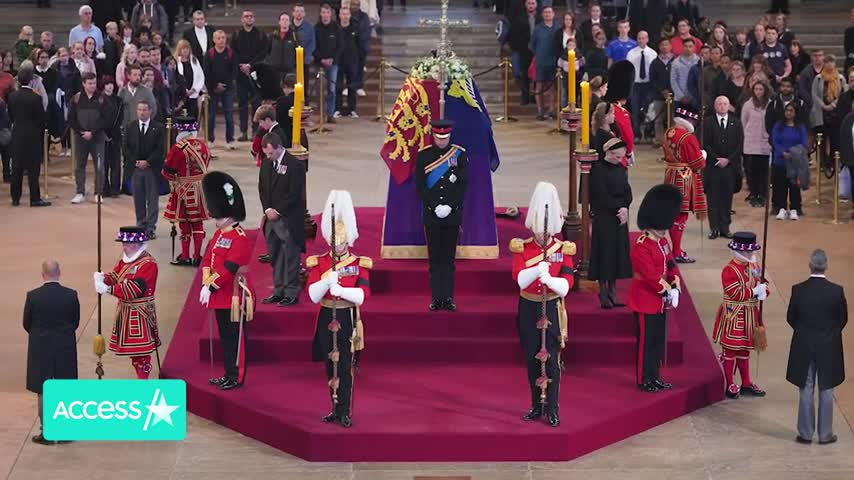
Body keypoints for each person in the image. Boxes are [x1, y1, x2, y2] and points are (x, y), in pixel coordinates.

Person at [510, 182, 574, 427]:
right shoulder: (522, 248)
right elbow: (519, 279)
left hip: (553, 308)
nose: (542, 234)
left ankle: (553, 408)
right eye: (538, 230)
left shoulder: (562, 249)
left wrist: (551, 280)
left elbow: (567, 284)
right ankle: (536, 405)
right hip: (529, 308)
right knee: (531, 358)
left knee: (553, 362)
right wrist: (537, 270)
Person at [306, 190, 371, 428]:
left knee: (344, 365)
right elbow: (313, 295)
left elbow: (362, 296)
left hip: (346, 314)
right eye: (335, 241)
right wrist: (325, 281)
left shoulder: (358, 263)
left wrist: (340, 290)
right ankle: (334, 407)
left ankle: (345, 409)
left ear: (348, 240)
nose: (338, 245)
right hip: (326, 314)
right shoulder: (320, 261)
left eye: (341, 241)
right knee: (328, 363)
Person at [199, 171, 256, 391]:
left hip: (233, 296)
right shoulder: (220, 234)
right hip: (219, 294)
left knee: (236, 339)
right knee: (225, 338)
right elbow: (208, 258)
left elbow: (229, 269)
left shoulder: (239, 238)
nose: (216, 219)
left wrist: (210, 285)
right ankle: (227, 373)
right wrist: (206, 283)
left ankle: (236, 376)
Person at [787, 249, 847, 445]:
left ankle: (805, 434)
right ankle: (825, 434)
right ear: (826, 265)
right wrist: (829, 334)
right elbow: (842, 319)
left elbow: (791, 317)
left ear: (810, 265)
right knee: (826, 389)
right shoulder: (836, 291)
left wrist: (804, 332)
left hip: (804, 344)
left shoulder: (798, 289)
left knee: (806, 387)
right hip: (828, 346)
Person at [627, 184, 682, 393]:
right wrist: (668, 290)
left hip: (660, 302)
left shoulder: (662, 241)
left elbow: (671, 265)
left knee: (657, 342)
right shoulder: (642, 245)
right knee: (645, 344)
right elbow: (650, 276)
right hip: (645, 301)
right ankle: (644, 379)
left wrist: (675, 284)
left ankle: (655, 376)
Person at [94, 226, 161, 379]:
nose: (124, 247)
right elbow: (116, 276)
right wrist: (103, 277)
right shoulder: (125, 261)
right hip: (126, 312)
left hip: (140, 313)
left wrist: (108, 289)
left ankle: (143, 381)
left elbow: (134, 289)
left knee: (141, 353)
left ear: (138, 244)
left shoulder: (148, 264)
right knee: (135, 354)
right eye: (123, 243)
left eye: (128, 244)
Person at [415, 120, 468, 311]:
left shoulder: (459, 154)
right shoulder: (424, 156)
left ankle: (449, 298)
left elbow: (462, 185)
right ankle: (436, 298)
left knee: (448, 260)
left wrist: (450, 206)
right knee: (435, 260)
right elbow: (420, 185)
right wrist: (434, 205)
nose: (442, 141)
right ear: (434, 135)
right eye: (439, 137)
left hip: (452, 215)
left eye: (445, 138)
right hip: (432, 214)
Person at [24, 260, 79, 445]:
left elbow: (27, 323)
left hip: (41, 347)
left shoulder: (33, 296)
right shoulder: (71, 295)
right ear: (59, 273)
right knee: (64, 387)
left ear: (42, 274)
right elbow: (75, 321)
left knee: (43, 389)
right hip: (64, 346)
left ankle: (46, 432)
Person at [712, 231, 770, 399]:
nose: (751, 254)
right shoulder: (729, 270)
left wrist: (764, 290)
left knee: (744, 350)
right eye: (748, 252)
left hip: (750, 314)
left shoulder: (754, 266)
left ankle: (746, 382)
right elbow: (734, 293)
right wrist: (753, 291)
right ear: (740, 252)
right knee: (730, 351)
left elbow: (761, 282)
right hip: (734, 314)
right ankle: (729, 382)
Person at [259, 132, 306, 306]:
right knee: (275, 255)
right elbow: (262, 189)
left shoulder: (295, 166)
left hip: (288, 219)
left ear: (279, 148)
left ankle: (291, 292)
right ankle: (278, 291)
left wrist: (277, 210)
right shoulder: (266, 164)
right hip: (271, 219)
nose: (268, 157)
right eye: (266, 154)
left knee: (290, 256)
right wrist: (267, 209)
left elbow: (295, 194)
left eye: (271, 153)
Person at [589, 138, 632, 308]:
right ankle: (603, 291)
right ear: (609, 153)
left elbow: (627, 191)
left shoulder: (621, 169)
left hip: (619, 217)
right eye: (617, 156)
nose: (620, 159)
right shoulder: (598, 169)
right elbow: (600, 195)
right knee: (604, 253)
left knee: (617, 254)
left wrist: (625, 207)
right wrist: (618, 207)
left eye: (622, 156)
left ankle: (613, 291)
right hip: (605, 217)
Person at [161, 115, 210, 266]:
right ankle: (197, 256)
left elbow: (167, 172)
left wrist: (175, 179)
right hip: (200, 188)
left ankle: (185, 256)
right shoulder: (203, 145)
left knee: (184, 224)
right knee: (198, 224)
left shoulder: (178, 148)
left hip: (183, 189)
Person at [663, 105, 706, 263]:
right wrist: (703, 156)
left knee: (672, 213)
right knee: (680, 216)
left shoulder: (669, 132)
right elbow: (698, 164)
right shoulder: (688, 137)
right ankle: (676, 251)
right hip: (684, 178)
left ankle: (676, 249)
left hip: (670, 175)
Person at [68, 72, 114, 205]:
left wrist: (92, 132)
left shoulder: (102, 99)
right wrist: (82, 132)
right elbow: (71, 118)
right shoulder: (76, 99)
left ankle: (98, 193)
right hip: (81, 138)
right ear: (83, 84)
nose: (93, 86)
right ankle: (80, 192)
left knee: (99, 166)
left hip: (97, 137)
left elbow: (106, 119)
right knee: (79, 165)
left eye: (94, 83)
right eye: (90, 83)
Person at [123, 100, 165, 238]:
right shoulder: (130, 127)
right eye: (139, 110)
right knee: (138, 198)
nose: (142, 112)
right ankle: (141, 225)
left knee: (152, 199)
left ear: (150, 111)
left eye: (144, 110)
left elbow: (160, 149)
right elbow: (126, 148)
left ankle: (151, 227)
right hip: (135, 169)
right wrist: (136, 162)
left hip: (151, 169)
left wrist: (147, 162)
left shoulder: (158, 127)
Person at [9, 68, 50, 207]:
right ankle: (34, 198)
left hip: (17, 134)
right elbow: (41, 119)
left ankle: (15, 198)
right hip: (33, 135)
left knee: (17, 167)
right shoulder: (36, 97)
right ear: (32, 80)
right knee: (33, 168)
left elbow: (11, 116)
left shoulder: (13, 96)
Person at [703, 96, 743, 240]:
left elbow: (739, 145)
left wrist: (729, 160)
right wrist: (716, 159)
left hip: (730, 167)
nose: (722, 106)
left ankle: (725, 227)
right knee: (713, 198)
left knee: (727, 199)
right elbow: (705, 144)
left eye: (725, 104)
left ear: (729, 106)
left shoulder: (736, 123)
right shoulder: (707, 123)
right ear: (715, 106)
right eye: (719, 104)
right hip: (713, 167)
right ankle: (714, 228)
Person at [231, 10, 268, 142]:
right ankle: (243, 131)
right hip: (241, 75)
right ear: (242, 19)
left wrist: (250, 65)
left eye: (251, 16)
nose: (249, 18)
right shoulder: (236, 35)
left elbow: (263, 53)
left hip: (256, 74)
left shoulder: (260, 35)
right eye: (246, 16)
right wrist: (242, 66)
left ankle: (255, 131)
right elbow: (233, 52)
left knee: (257, 104)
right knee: (242, 104)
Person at [770, 102, 807, 220]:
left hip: (794, 161)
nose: (788, 113)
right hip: (780, 161)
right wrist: (783, 152)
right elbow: (775, 141)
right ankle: (781, 208)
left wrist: (792, 153)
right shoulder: (778, 125)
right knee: (780, 185)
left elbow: (803, 142)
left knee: (794, 185)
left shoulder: (800, 126)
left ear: (795, 113)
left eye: (791, 110)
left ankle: (794, 208)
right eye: (787, 110)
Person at [740, 80, 772, 208]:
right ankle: (753, 194)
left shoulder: (770, 105)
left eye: (761, 89)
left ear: (765, 91)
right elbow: (743, 122)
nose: (758, 92)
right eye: (756, 89)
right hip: (750, 141)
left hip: (764, 141)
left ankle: (762, 195)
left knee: (763, 170)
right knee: (751, 170)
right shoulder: (747, 105)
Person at [204, 30, 237, 149]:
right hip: (213, 89)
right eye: (218, 38)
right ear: (214, 40)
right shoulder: (209, 54)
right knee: (211, 115)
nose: (221, 40)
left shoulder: (230, 53)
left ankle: (230, 140)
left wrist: (226, 85)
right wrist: (215, 85)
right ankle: (210, 139)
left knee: (229, 114)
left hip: (227, 89)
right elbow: (207, 72)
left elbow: (234, 72)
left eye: (223, 38)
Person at [810, 55, 847, 157]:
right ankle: (822, 162)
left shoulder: (840, 78)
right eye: (827, 62)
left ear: (835, 64)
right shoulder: (818, 78)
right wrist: (823, 105)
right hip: (821, 112)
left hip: (835, 112)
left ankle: (833, 161)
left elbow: (844, 93)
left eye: (831, 62)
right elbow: (814, 94)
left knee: (835, 139)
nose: (829, 64)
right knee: (822, 139)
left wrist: (834, 104)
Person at [314, 4, 343, 123]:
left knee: (331, 89)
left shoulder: (336, 28)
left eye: (327, 12)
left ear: (331, 14)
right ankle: (321, 113)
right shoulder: (316, 28)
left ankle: (330, 114)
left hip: (333, 64)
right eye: (323, 12)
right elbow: (314, 46)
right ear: (320, 14)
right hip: (319, 64)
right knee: (319, 90)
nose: (325, 15)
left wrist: (332, 59)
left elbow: (340, 46)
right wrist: (321, 59)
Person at [530, 6, 559, 120]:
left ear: (553, 14)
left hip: (553, 62)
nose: (547, 14)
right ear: (542, 15)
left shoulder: (558, 27)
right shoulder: (537, 29)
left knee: (552, 88)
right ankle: (540, 111)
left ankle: (552, 109)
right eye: (545, 12)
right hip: (541, 62)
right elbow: (532, 45)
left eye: (549, 12)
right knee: (539, 87)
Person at [626, 31, 656, 142]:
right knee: (635, 110)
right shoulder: (631, 53)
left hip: (648, 84)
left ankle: (648, 133)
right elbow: (628, 70)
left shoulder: (652, 53)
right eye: (639, 38)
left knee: (649, 110)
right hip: (636, 84)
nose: (641, 40)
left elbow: (654, 70)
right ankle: (636, 134)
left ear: (647, 39)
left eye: (643, 38)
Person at [508, 0, 538, 106]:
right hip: (523, 50)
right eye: (529, 3)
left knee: (535, 75)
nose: (531, 5)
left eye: (533, 3)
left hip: (537, 51)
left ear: (536, 5)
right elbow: (514, 35)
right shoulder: (519, 18)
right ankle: (524, 96)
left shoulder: (539, 19)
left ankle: (535, 95)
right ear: (525, 5)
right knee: (523, 73)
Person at [605, 61, 636, 164]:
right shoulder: (620, 111)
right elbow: (628, 137)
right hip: (617, 155)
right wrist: (629, 153)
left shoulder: (604, 106)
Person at [100, 76, 124, 197]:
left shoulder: (118, 100)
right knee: (104, 164)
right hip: (103, 134)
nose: (110, 86)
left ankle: (115, 189)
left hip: (115, 134)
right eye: (107, 84)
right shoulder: (99, 99)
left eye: (111, 84)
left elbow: (120, 117)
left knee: (115, 163)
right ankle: (104, 188)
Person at [335, 6, 360, 119]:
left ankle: (352, 109)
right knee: (338, 86)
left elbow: (360, 45)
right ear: (339, 15)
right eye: (343, 14)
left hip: (352, 62)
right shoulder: (335, 28)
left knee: (352, 86)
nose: (345, 16)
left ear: (349, 15)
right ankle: (337, 109)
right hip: (339, 61)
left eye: (346, 14)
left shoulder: (355, 28)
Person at [650, 38, 674, 147]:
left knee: (673, 119)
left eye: (667, 44)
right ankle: (659, 141)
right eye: (662, 44)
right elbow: (652, 79)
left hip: (674, 95)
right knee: (658, 119)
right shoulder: (655, 63)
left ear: (670, 46)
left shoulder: (675, 61)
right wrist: (661, 91)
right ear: (659, 47)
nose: (665, 47)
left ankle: (673, 140)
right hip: (658, 95)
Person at [174, 39, 205, 119]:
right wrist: (184, 90)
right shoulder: (175, 61)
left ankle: (192, 131)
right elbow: (175, 78)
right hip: (181, 95)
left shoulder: (194, 60)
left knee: (192, 116)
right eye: (183, 48)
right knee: (182, 117)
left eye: (186, 48)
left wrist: (194, 89)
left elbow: (200, 77)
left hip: (193, 93)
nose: (185, 50)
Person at [292, 3, 316, 101]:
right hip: (290, 62)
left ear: (304, 13)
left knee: (304, 84)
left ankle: (304, 105)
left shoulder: (309, 27)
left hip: (304, 61)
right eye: (297, 11)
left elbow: (312, 44)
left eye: (301, 11)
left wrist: (305, 57)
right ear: (293, 13)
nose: (299, 13)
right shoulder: (288, 25)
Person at [268, 12, 299, 84]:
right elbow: (267, 51)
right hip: (274, 70)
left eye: (287, 20)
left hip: (289, 70)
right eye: (282, 19)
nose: (284, 21)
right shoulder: (272, 35)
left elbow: (298, 51)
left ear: (289, 22)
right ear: (279, 22)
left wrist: (293, 64)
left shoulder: (294, 36)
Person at [671, 37, 699, 110]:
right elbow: (673, 81)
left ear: (694, 48)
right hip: (679, 99)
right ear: (682, 47)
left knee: (693, 120)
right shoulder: (675, 62)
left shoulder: (699, 62)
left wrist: (692, 95)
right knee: (678, 120)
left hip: (695, 98)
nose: (688, 48)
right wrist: (681, 96)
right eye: (686, 46)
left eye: (690, 46)